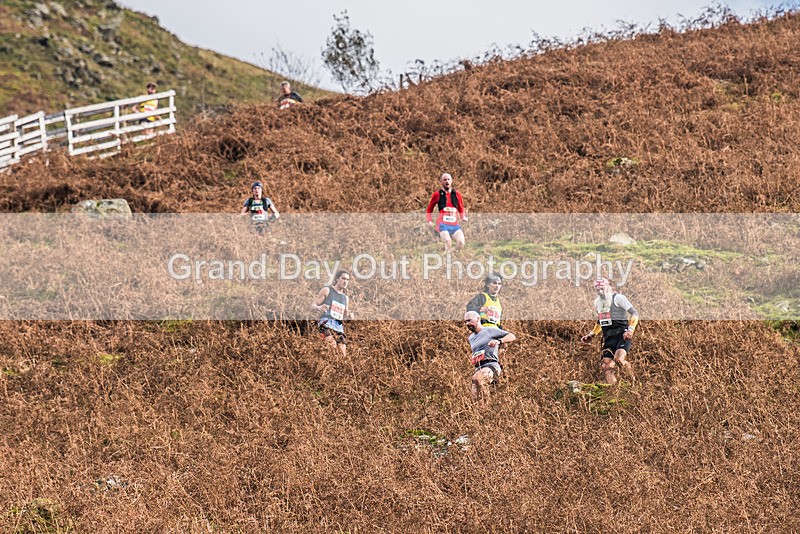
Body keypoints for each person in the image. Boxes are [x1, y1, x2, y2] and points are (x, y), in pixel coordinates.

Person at [580, 278, 639, 385]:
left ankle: (634, 382)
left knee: (619, 360)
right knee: (606, 366)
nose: (601, 292)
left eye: (602, 289)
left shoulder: (618, 298)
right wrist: (592, 334)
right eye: (598, 290)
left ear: (608, 286)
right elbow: (601, 321)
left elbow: (634, 313)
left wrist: (630, 330)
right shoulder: (597, 302)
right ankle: (614, 389)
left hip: (622, 334)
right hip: (608, 337)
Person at [464, 310, 516, 400]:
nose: (467, 323)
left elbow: (512, 336)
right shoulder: (471, 338)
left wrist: (499, 341)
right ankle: (483, 411)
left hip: (491, 365)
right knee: (473, 398)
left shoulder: (489, 330)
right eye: (465, 322)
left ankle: (488, 404)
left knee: (477, 378)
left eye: (469, 320)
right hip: (478, 367)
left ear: (478, 319)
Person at [312, 270, 354, 357]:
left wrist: (350, 316)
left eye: (347, 280)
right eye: (343, 278)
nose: (345, 281)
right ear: (337, 279)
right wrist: (319, 307)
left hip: (338, 326)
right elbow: (312, 305)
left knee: (343, 354)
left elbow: (345, 315)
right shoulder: (327, 290)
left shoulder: (345, 298)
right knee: (332, 348)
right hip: (326, 323)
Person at [426, 172, 468, 253]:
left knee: (461, 243)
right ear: (441, 182)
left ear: (451, 181)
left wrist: (463, 217)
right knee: (448, 243)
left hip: (454, 225)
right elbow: (429, 209)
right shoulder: (437, 194)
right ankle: (447, 259)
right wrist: (429, 220)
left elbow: (461, 207)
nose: (447, 181)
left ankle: (453, 255)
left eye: (448, 179)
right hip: (442, 225)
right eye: (444, 180)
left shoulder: (457, 194)